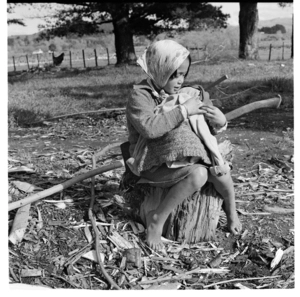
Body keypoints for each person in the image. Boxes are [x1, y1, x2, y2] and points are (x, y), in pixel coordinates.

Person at [126, 39, 242, 251]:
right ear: (158, 69)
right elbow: (150, 128)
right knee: (199, 175)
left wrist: (219, 121)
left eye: (183, 74)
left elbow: (202, 128)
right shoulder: (141, 95)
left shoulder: (185, 94)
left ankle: (231, 212)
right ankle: (157, 220)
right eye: (173, 75)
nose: (179, 81)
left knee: (220, 171)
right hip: (151, 162)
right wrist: (184, 110)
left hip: (186, 155)